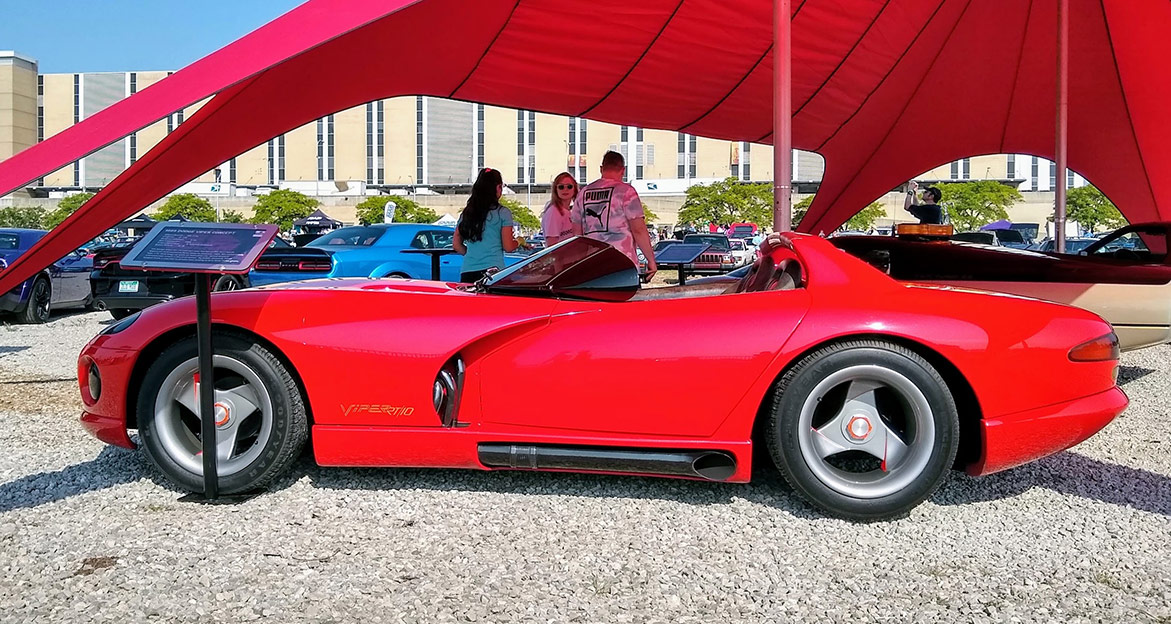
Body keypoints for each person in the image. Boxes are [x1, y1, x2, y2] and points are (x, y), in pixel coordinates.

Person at [570, 150, 656, 279]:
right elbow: (638, 229)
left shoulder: (583, 193)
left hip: (592, 262)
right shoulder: (626, 192)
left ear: (601, 168)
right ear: (623, 170)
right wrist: (651, 260)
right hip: (623, 262)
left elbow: (577, 233)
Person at [454, 168, 519, 282]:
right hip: (493, 271)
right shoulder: (503, 213)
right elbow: (508, 247)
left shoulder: (467, 213)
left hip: (468, 271)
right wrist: (519, 241)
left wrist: (471, 255)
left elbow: (456, 245)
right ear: (498, 188)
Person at [542, 172, 577, 245]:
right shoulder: (553, 212)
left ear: (575, 189)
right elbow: (552, 245)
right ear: (556, 190)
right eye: (561, 187)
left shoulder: (571, 212)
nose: (565, 189)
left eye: (569, 186)